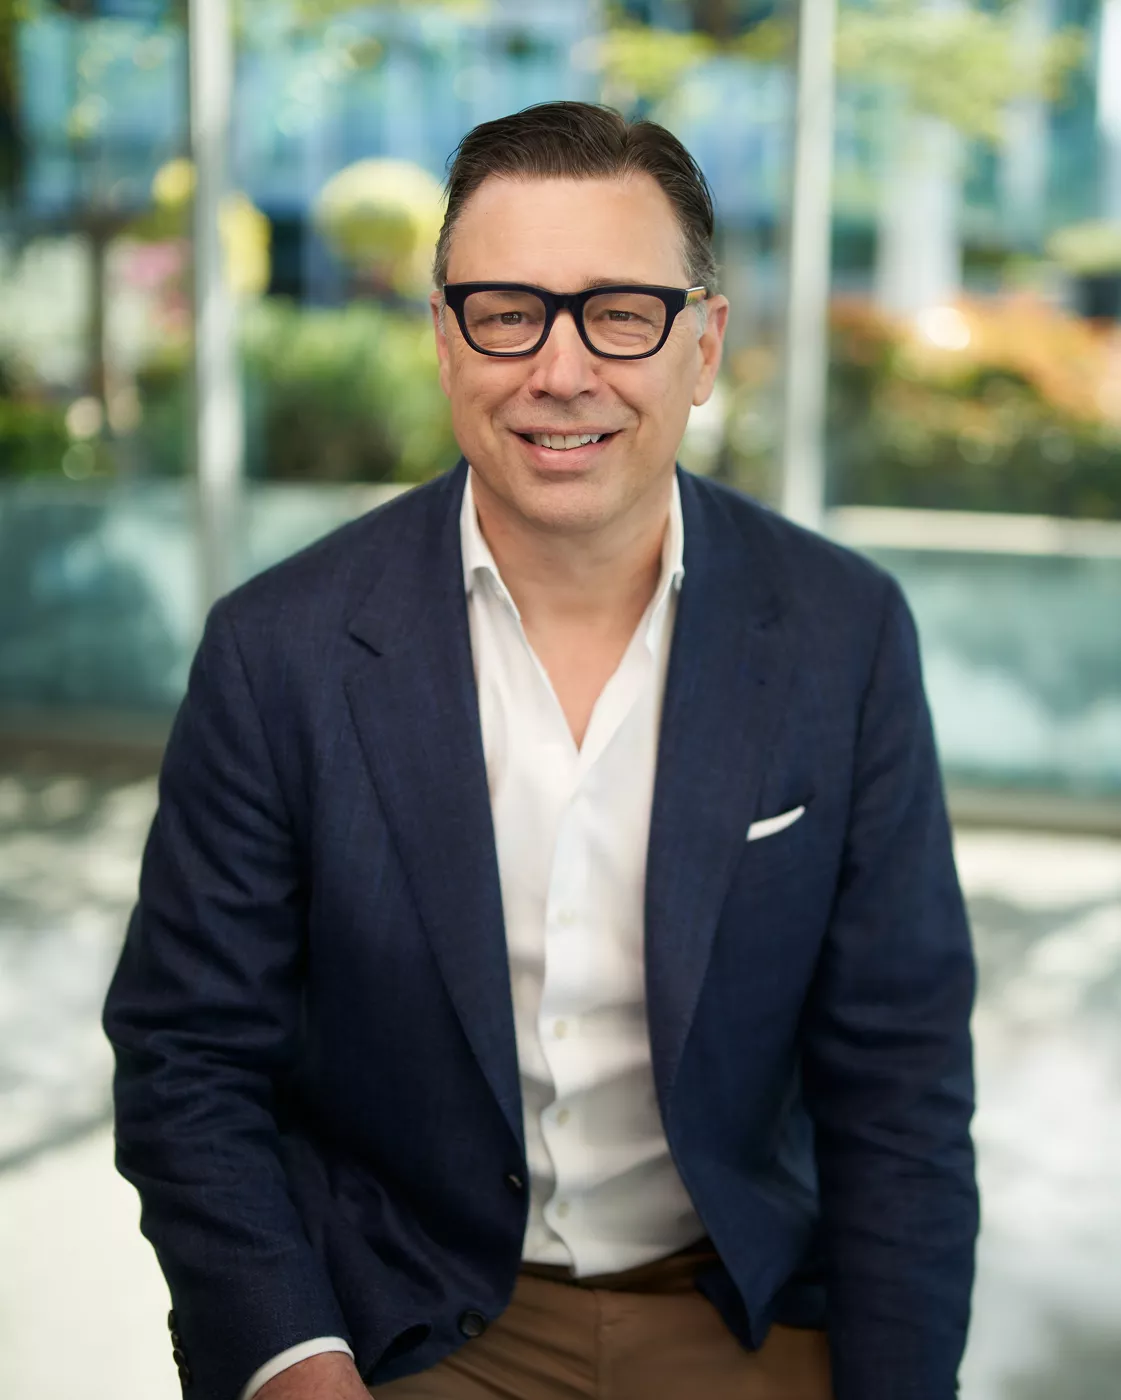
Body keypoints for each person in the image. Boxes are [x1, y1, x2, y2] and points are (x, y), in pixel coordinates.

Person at [103, 101, 978, 1400]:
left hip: (738, 1304)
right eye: (507, 310)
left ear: (705, 344)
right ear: (444, 342)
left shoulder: (841, 636)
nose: (561, 372)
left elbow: (900, 1079)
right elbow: (189, 1055)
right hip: (412, 1313)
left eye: (621, 311)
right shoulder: (274, 651)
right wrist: (296, 1361)